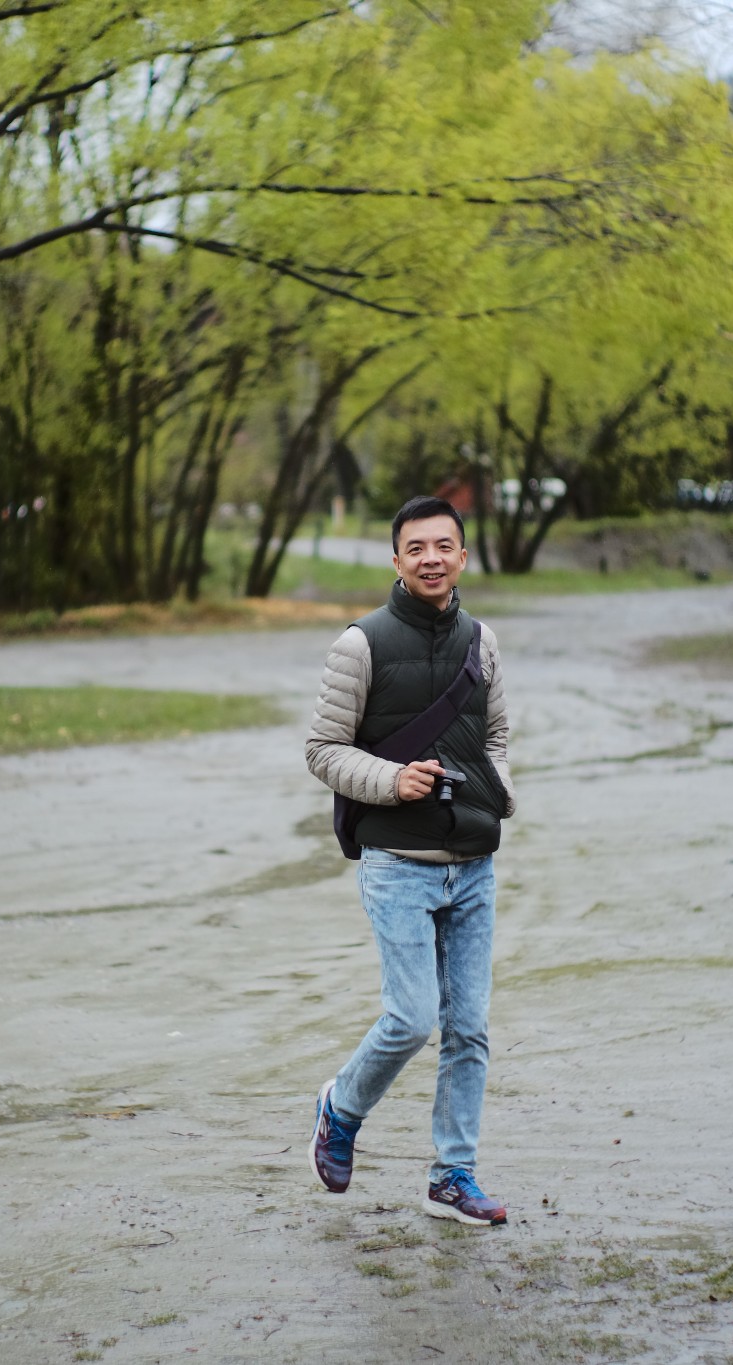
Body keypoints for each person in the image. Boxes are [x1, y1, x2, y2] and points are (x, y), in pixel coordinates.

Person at [303, 495, 515, 1225]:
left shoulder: (483, 642)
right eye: (416, 547)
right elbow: (322, 752)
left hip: (474, 863)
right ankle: (341, 1106)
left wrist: (498, 796)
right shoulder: (360, 645)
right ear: (396, 560)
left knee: (471, 1026)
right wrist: (391, 782)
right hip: (397, 860)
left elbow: (495, 738)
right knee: (413, 1016)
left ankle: (452, 1175)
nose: (431, 557)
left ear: (462, 556)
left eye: (444, 545)